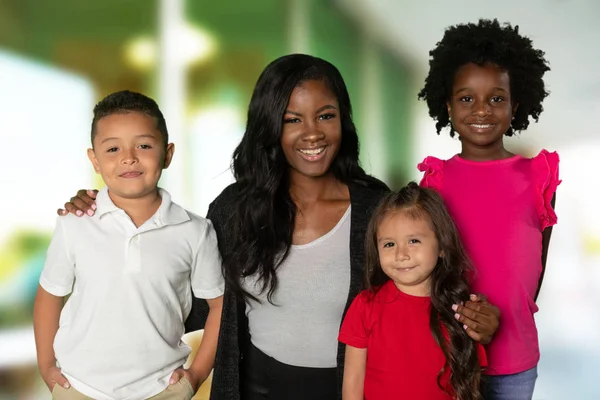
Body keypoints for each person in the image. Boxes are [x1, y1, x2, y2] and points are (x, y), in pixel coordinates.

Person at [57, 54, 499, 400]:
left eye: (325, 115)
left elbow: (423, 287)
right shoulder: (233, 209)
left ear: (343, 119)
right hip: (255, 388)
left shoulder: (375, 205)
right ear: (270, 125)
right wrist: (107, 210)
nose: (312, 133)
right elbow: (181, 299)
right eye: (292, 119)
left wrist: (477, 318)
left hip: (353, 389)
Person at [34, 91, 224, 399]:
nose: (128, 157)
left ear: (168, 153)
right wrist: (46, 366)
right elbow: (49, 294)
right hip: (78, 386)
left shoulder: (196, 231)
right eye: (112, 148)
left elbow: (219, 305)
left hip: (163, 389)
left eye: (144, 145)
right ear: (94, 160)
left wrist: (196, 375)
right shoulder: (75, 222)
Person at [417, 19, 560, 400]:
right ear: (447, 105)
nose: (482, 110)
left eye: (496, 98)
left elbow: (535, 270)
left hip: (515, 359)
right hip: (450, 357)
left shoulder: (538, 177)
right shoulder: (436, 181)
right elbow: (426, 270)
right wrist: (466, 317)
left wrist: (510, 318)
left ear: (515, 105)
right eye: (466, 98)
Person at [340, 182, 487, 400]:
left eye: (413, 241)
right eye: (389, 244)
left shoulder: (462, 310)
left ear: (443, 247)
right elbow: (352, 384)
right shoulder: (365, 305)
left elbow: (469, 381)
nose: (401, 254)